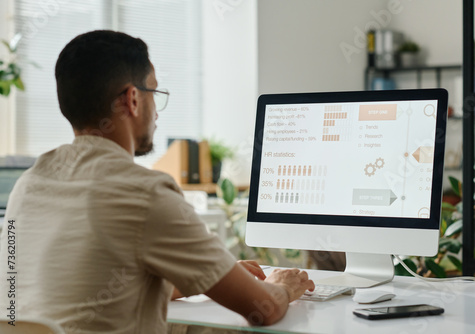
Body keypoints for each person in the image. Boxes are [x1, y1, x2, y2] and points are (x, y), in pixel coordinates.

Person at [0, 30, 314, 333]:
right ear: (132, 99)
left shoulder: (27, 185)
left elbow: (69, 290)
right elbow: (264, 309)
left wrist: (207, 278)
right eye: (155, 92)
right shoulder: (145, 192)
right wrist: (282, 286)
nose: (157, 114)